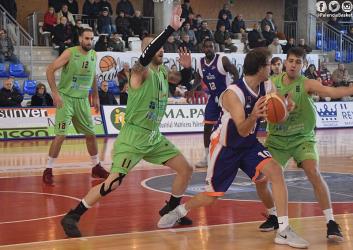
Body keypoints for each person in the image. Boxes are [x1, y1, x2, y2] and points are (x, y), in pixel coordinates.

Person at [60, 4, 194, 238]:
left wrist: (188, 70)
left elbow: (185, 81)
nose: (161, 51)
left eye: (162, 49)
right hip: (133, 136)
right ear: (147, 51)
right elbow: (147, 55)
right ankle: (73, 215)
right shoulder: (139, 72)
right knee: (113, 183)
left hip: (153, 136)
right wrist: (170, 29)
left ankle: (172, 208)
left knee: (186, 168)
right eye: (155, 48)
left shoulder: (163, 72)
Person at [158, 48, 309, 249]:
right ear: (259, 68)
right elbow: (242, 128)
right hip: (225, 147)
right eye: (268, 64)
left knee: (274, 172)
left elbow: (279, 105)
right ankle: (180, 211)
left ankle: (282, 228)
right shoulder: (233, 94)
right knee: (212, 196)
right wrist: (254, 115)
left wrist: (285, 107)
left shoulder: (267, 85)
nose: (273, 68)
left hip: (248, 146)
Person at [256, 47, 347, 242]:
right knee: (261, 179)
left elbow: (332, 91)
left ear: (304, 65)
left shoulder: (307, 84)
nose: (293, 64)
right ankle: (273, 215)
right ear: (284, 62)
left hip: (302, 137)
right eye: (291, 61)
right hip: (277, 139)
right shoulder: (271, 83)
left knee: (313, 172)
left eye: (298, 62)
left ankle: (331, 222)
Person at [42, 28, 109, 185]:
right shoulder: (70, 53)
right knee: (61, 135)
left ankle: (96, 166)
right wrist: (55, 93)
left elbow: (93, 75)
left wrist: (96, 96)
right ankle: (48, 169)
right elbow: (50, 69)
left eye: (91, 39)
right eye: (86, 38)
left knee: (91, 134)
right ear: (80, 39)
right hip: (66, 99)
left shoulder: (94, 55)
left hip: (83, 101)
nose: (89, 41)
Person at [189, 38, 239, 168]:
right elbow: (197, 79)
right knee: (207, 126)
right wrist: (192, 90)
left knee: (229, 126)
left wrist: (235, 87)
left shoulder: (222, 59)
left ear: (214, 48)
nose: (209, 49)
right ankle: (207, 157)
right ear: (203, 49)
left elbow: (235, 72)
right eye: (206, 47)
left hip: (226, 96)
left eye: (211, 46)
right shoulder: (200, 63)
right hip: (213, 97)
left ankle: (233, 154)